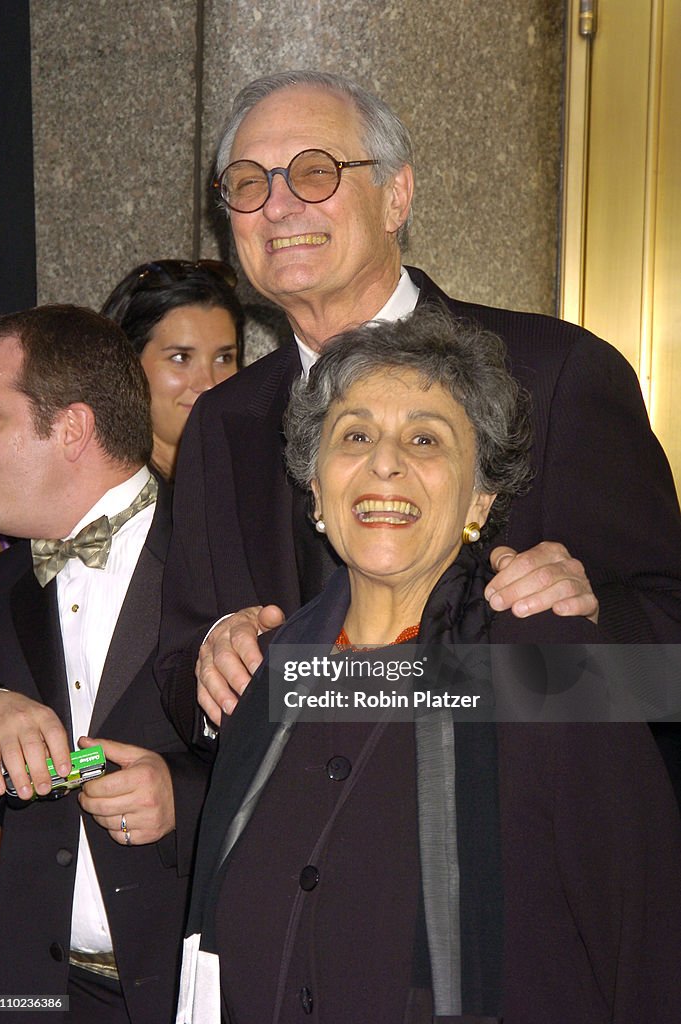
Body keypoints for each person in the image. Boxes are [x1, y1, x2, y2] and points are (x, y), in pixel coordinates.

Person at [177, 307, 681, 1024]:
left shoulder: (547, 665)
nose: (385, 461)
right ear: (315, 489)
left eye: (425, 438)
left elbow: (646, 949)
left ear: (480, 499)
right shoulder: (270, 679)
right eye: (354, 435)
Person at [156, 70, 681, 748]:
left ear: (395, 196)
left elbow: (666, 654)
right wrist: (213, 665)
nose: (278, 207)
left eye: (314, 172)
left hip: (498, 835)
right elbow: (177, 672)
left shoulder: (555, 374)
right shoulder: (221, 422)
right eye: (249, 182)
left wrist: (577, 616)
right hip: (285, 842)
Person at [0, 306, 210, 1024]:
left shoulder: (223, 563)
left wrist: (185, 796)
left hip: (193, 986)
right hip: (28, 992)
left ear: (73, 429)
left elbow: (324, 756)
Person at [101, 257, 244, 481]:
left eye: (224, 358)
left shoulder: (255, 484)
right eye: (180, 357)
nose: (208, 383)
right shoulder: (101, 500)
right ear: (126, 366)